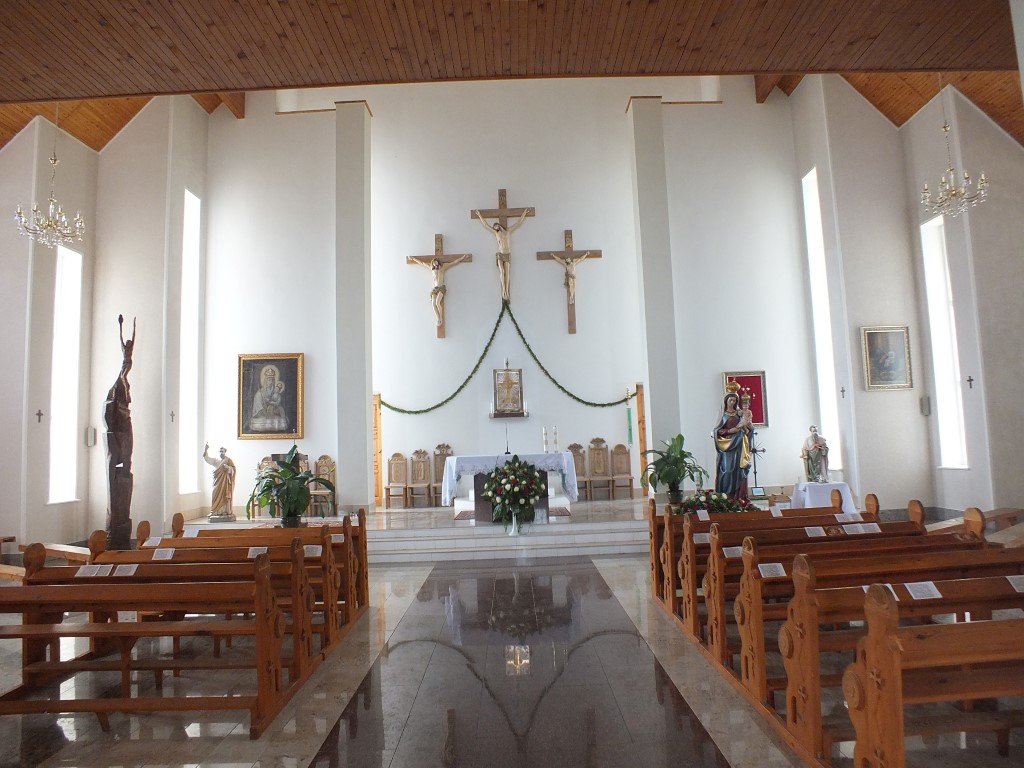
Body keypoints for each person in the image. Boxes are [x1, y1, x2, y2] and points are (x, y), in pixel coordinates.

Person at [474, 207, 532, 302]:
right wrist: (479, 215)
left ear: (499, 225)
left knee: (507, 273)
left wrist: (524, 213)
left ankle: (506, 291)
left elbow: (518, 223)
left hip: (507, 254)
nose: (495, 227)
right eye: (494, 227)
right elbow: (485, 225)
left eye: (496, 225)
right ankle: (503, 291)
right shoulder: (496, 233)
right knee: (501, 271)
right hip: (500, 254)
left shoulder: (508, 231)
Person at [713, 387, 752, 500]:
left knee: (739, 471)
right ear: (726, 401)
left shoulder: (739, 414)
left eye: (734, 401)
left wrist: (750, 427)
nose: (732, 403)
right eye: (730, 400)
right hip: (727, 446)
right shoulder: (723, 415)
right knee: (727, 470)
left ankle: (739, 498)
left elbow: (748, 428)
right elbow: (716, 431)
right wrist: (730, 431)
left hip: (739, 445)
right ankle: (725, 497)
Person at [413, 255, 471, 325]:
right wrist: (413, 259)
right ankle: (438, 318)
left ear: (438, 262)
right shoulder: (431, 268)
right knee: (433, 303)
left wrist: (463, 257)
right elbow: (422, 263)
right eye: (433, 262)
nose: (435, 263)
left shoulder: (443, 267)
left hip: (441, 287)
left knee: (437, 302)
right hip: (435, 288)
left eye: (436, 262)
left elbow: (454, 262)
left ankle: (441, 318)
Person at [250, 364, 288, 432]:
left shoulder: (275, 390)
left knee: (278, 416)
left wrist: (272, 403)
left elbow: (277, 402)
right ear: (265, 381)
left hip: (273, 409)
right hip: (262, 412)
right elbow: (259, 404)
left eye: (272, 380)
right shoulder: (259, 393)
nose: (270, 382)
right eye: (269, 380)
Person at [203, 443, 236, 520]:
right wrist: (206, 450)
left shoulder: (228, 460)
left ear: (225, 452)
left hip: (225, 481)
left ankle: (225, 511)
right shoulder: (216, 460)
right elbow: (207, 459)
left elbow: (233, 469)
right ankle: (215, 511)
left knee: (225, 494)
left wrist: (228, 468)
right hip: (217, 480)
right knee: (215, 492)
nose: (221, 453)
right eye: (220, 451)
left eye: (222, 451)